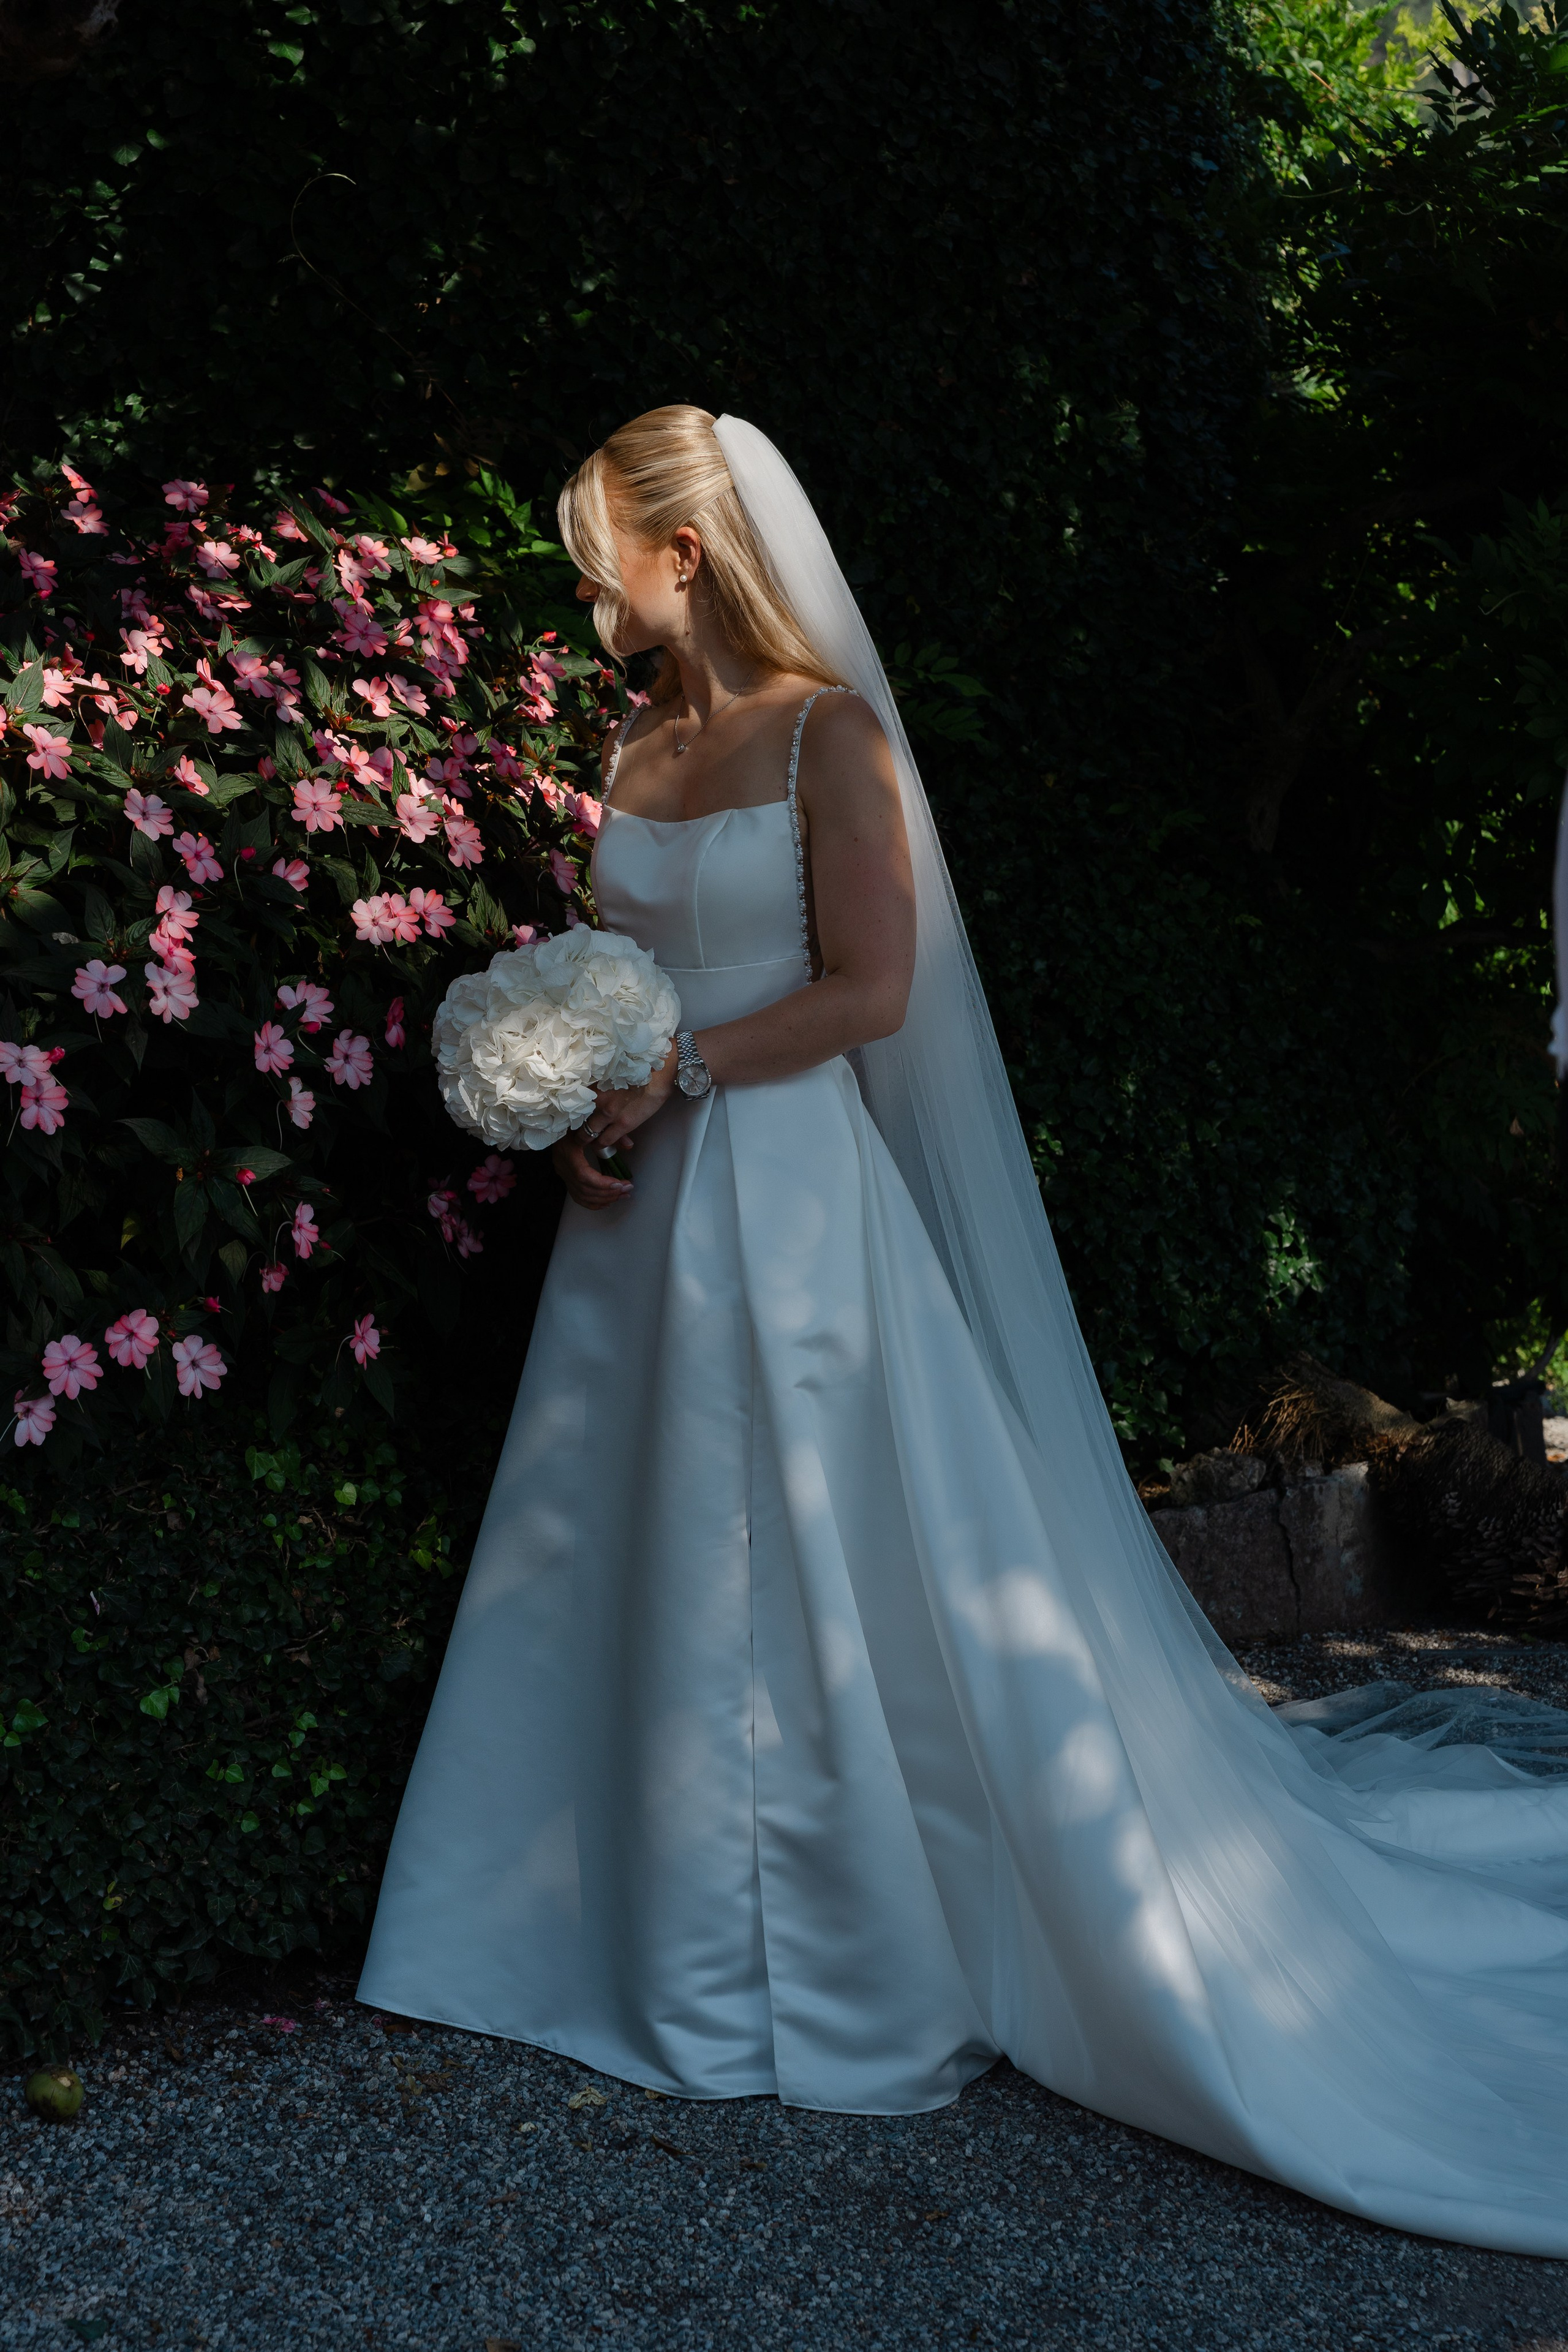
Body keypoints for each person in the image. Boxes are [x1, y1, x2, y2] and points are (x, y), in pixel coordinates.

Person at [361, 404, 1568, 2255]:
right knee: (630, 1540)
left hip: (787, 1201)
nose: (588, 598)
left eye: (604, 561)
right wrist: (581, 1093)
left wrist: (676, 1068)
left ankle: (824, 1952)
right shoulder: (638, 739)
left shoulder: (828, 736)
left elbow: (872, 989)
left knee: (813, 1549)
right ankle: (593, 1926)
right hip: (643, 1218)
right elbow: (634, 981)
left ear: (689, 552)